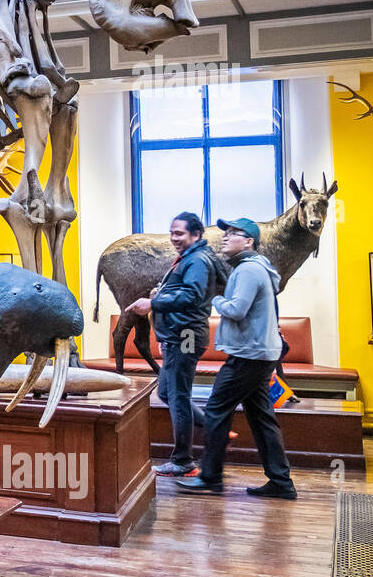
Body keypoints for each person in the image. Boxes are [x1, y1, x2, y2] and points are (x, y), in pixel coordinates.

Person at [176, 218, 298, 499]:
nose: (225, 238)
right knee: (261, 418)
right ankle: (281, 481)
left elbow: (237, 309)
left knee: (217, 409)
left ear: (249, 241)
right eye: (225, 233)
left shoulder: (248, 270)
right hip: (258, 354)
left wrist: (213, 299)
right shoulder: (256, 268)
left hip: (249, 356)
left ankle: (210, 477)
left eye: (233, 234)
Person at [125, 211, 214, 477]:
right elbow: (182, 292)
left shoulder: (197, 260)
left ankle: (183, 460)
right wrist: (161, 293)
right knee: (167, 393)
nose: (173, 238)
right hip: (177, 336)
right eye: (172, 232)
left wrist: (153, 303)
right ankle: (214, 427)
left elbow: (192, 295)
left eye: (179, 233)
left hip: (184, 337)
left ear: (195, 235)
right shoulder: (187, 259)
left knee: (178, 397)